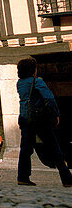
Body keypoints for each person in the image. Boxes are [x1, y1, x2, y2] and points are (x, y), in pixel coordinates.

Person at [15, 56, 72, 187]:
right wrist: (56, 114)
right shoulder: (37, 81)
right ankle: (67, 178)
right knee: (55, 148)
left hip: (25, 118)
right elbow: (49, 98)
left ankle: (23, 177)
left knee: (25, 150)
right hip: (39, 119)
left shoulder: (20, 83)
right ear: (33, 69)